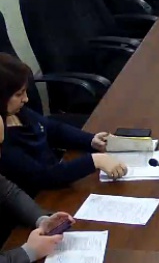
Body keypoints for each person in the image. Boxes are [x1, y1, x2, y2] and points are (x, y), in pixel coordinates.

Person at [0, 54, 128, 196]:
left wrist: (90, 140)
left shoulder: (17, 112)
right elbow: (42, 177)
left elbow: (52, 129)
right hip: (40, 197)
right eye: (19, 94)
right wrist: (94, 161)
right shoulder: (2, 139)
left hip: (58, 179)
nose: (26, 99)